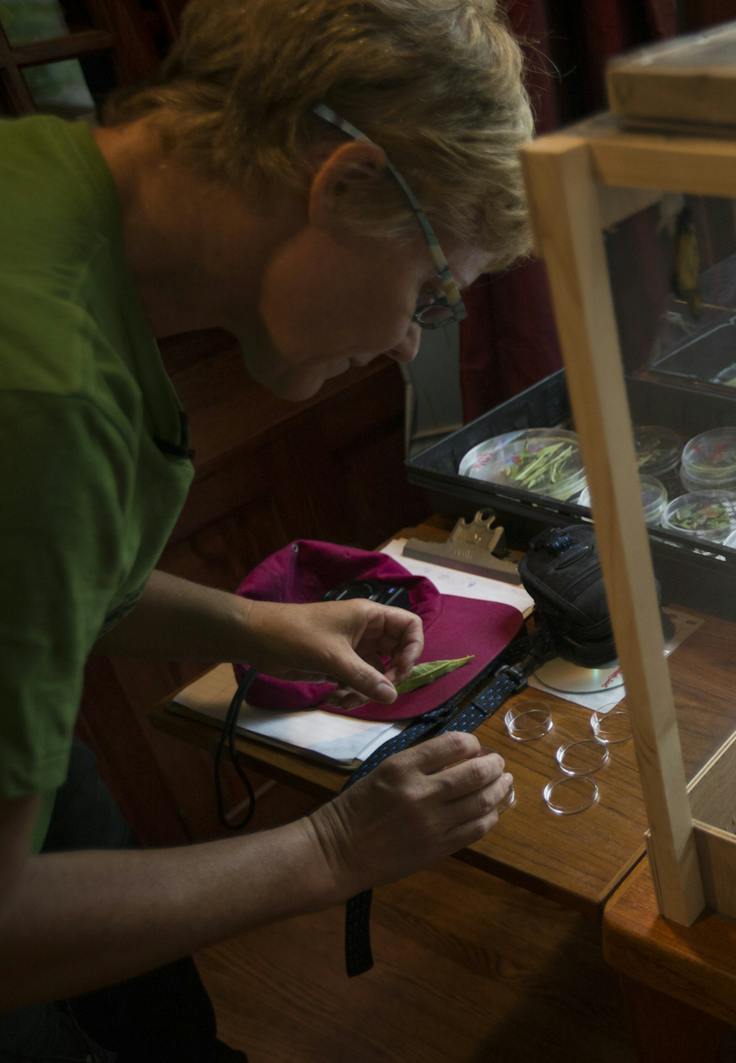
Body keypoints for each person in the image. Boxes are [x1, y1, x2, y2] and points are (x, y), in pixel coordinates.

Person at [0, 0, 534, 1056]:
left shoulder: (46, 179)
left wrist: (261, 629)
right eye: (430, 295)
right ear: (344, 187)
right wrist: (336, 847)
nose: (399, 344)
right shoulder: (44, 394)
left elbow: (43, 579)